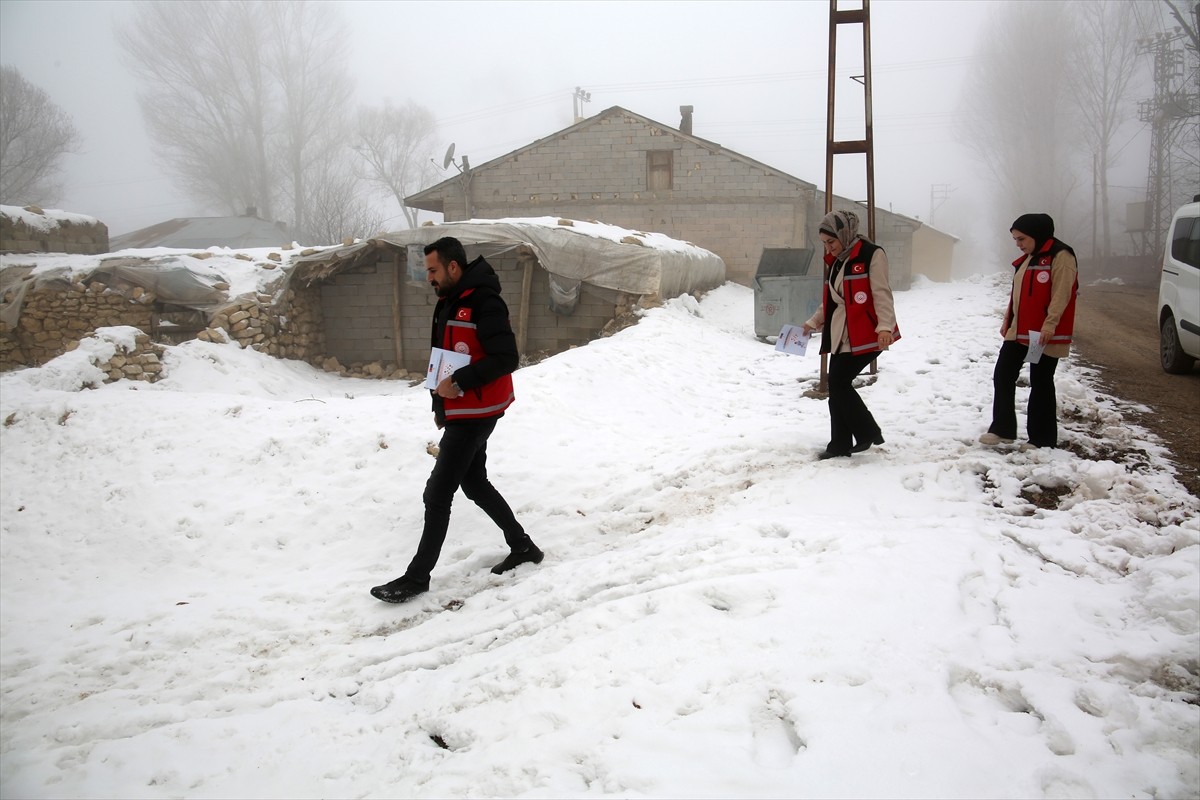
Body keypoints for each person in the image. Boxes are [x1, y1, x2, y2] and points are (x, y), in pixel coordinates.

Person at [370, 237, 543, 603]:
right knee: (474, 483)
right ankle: (523, 547)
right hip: (461, 410)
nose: (428, 277)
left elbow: (506, 357)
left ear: (453, 267)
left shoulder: (484, 301)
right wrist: (440, 405)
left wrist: (460, 383)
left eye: (433, 270)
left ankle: (417, 578)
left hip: (478, 410)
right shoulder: (448, 302)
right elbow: (444, 357)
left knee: (438, 492)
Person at [802, 209, 900, 460]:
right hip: (841, 335)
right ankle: (839, 444)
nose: (828, 248)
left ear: (845, 234)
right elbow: (833, 300)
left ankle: (867, 431)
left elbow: (882, 293)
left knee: (838, 383)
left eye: (831, 242)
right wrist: (814, 322)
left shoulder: (871, 254)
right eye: (824, 243)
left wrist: (885, 327)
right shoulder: (837, 260)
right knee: (836, 387)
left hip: (868, 333)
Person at [981, 213, 1078, 450]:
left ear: (1036, 234)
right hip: (1019, 331)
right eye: (1016, 239)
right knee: (1003, 375)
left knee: (1041, 381)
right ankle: (1002, 429)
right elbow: (1017, 294)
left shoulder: (1061, 256)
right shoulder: (1027, 259)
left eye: (1022, 239)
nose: (1019, 244)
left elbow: (1061, 295)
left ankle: (1041, 438)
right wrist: (1008, 320)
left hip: (1043, 334)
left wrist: (1049, 325)